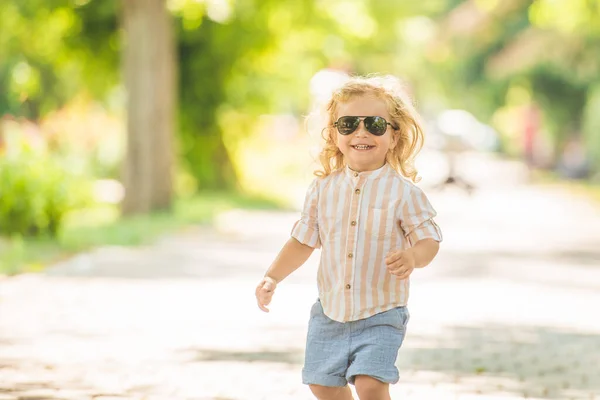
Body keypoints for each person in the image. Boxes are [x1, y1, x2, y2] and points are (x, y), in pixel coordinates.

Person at [255, 75, 443, 400]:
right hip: (330, 312)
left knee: (370, 384)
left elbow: (429, 240)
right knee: (323, 385)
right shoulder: (322, 189)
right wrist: (272, 276)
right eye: (348, 124)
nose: (361, 132)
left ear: (394, 135)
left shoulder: (404, 193)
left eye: (374, 124)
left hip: (382, 312)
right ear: (333, 134)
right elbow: (302, 241)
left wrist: (413, 256)